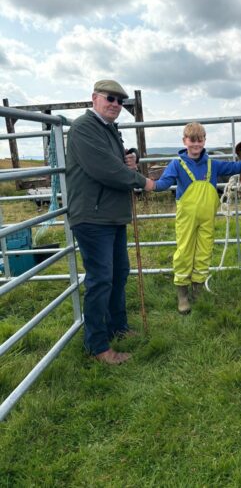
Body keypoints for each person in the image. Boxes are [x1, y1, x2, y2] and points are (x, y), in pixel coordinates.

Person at [66, 79, 155, 365]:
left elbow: (117, 161)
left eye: (120, 101)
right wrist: (143, 181)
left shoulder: (108, 129)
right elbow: (106, 170)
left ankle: (118, 326)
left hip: (111, 215)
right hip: (92, 217)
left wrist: (132, 157)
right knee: (101, 279)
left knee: (118, 273)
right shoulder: (84, 128)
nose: (116, 104)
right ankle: (98, 345)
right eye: (110, 98)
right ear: (94, 98)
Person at [153, 122, 241, 314]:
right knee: (184, 251)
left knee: (205, 251)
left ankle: (198, 289)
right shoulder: (177, 165)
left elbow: (235, 166)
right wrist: (149, 185)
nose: (196, 144)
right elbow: (163, 183)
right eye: (192, 140)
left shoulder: (213, 164)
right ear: (184, 141)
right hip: (187, 219)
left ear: (204, 141)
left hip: (207, 218)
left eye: (200, 140)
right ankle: (182, 294)